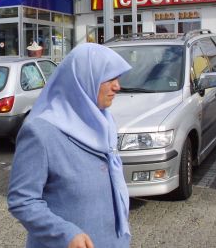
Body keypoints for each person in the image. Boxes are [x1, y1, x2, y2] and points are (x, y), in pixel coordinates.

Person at [7, 43, 132, 248]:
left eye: (117, 78)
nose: (117, 86)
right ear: (84, 80)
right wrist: (65, 234)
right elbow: (22, 200)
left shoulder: (104, 122)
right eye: (109, 78)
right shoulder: (40, 132)